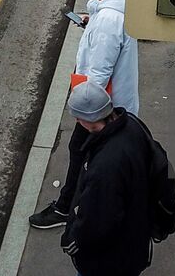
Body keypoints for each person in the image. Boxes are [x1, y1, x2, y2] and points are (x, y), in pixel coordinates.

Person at [30, 0, 139, 230]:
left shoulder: (109, 20)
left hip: (103, 105)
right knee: (95, 154)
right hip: (114, 103)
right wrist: (92, 21)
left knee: (81, 151)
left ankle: (68, 208)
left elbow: (100, 72)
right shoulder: (120, 9)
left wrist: (84, 109)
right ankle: (82, 204)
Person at [59, 81, 153, 276]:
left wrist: (73, 239)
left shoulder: (105, 165)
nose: (76, 121)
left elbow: (97, 222)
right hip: (136, 236)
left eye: (78, 117)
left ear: (89, 119)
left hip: (109, 260)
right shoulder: (134, 127)